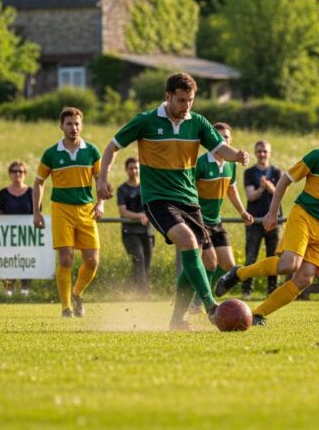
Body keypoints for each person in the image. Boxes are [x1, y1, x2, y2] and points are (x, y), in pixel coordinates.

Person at [98, 72, 250, 330]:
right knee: (189, 242)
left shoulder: (198, 122)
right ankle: (211, 306)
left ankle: (176, 320)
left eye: (190, 100)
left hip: (189, 200)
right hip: (158, 199)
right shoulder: (146, 121)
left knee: (208, 262)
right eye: (180, 100)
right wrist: (102, 180)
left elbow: (218, 148)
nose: (185, 106)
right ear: (167, 96)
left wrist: (236, 155)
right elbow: (112, 147)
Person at [215, 114, 319, 326]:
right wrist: (272, 212)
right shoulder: (318, 157)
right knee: (288, 265)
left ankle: (257, 314)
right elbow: (285, 179)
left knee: (304, 278)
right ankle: (239, 273)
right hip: (304, 216)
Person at [33, 107, 106, 318]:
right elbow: (39, 182)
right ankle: (65, 308)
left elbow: (100, 180)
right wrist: (36, 212)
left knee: (92, 262)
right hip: (61, 210)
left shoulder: (92, 151)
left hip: (86, 210)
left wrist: (100, 203)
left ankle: (77, 293)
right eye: (69, 124)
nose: (73, 128)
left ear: (81, 126)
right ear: (61, 126)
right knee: (65, 260)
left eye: (76, 124)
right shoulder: (51, 153)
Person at [194, 122, 253, 302]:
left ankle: (207, 294)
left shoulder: (231, 164)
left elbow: (231, 189)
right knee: (210, 263)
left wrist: (242, 212)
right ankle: (199, 302)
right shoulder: (201, 164)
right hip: (199, 220)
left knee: (230, 267)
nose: (223, 140)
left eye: (226, 137)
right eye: (218, 137)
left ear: (231, 140)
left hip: (216, 221)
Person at [241, 139, 283, 299]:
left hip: (274, 221)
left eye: (265, 151)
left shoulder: (277, 172)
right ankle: (247, 291)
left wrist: (271, 187)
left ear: (269, 153)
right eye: (259, 151)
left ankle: (272, 290)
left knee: (273, 257)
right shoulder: (249, 173)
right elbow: (251, 196)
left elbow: (280, 194)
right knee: (251, 256)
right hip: (255, 221)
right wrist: (261, 188)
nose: (262, 154)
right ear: (255, 153)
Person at [0, 160, 34, 297]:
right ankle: (9, 290)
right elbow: (0, 213)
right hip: (9, 236)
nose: (17, 174)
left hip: (27, 236)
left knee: (26, 260)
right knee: (10, 261)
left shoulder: (32, 192)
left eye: (21, 171)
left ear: (25, 174)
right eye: (14, 171)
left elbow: (37, 213)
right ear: (10, 174)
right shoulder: (3, 193)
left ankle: (25, 290)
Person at [117, 157, 153, 295]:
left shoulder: (146, 187)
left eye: (136, 168)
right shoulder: (122, 189)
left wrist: (147, 215)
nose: (134, 171)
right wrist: (140, 216)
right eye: (131, 168)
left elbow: (152, 205)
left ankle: (126, 291)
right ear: (126, 170)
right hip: (130, 231)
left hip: (146, 231)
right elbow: (123, 211)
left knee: (146, 264)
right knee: (139, 260)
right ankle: (144, 293)